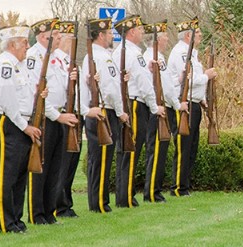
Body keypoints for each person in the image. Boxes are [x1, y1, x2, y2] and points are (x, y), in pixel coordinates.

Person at [0, 17, 50, 231]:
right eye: (24, 43)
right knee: (8, 174)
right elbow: (8, 102)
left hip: (24, 123)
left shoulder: (20, 66)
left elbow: (24, 95)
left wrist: (39, 95)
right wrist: (24, 126)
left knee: (20, 174)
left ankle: (17, 219)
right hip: (12, 125)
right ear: (13, 44)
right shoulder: (5, 66)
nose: (27, 46)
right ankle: (5, 222)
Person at [113, 15, 164, 208]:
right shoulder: (133, 54)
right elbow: (143, 85)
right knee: (131, 150)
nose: (143, 33)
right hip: (135, 104)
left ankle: (124, 195)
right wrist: (154, 107)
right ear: (132, 32)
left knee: (127, 150)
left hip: (130, 102)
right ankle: (125, 197)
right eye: (140, 30)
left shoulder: (125, 52)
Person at [80, 18, 128, 213]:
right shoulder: (100, 57)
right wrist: (120, 112)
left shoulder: (100, 55)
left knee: (100, 159)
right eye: (109, 33)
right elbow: (110, 89)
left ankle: (99, 201)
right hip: (103, 111)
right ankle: (99, 202)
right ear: (100, 35)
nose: (111, 36)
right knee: (100, 159)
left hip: (102, 110)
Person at [26, 18, 71, 225]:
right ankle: (37, 214)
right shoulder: (33, 57)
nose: (61, 38)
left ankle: (50, 211)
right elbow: (37, 95)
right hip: (45, 117)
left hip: (59, 115)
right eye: (57, 35)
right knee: (41, 167)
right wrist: (57, 115)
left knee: (55, 167)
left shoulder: (58, 57)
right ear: (44, 37)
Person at [167, 17, 218, 196]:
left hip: (194, 103)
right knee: (184, 147)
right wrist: (207, 76)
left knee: (192, 146)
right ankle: (178, 187)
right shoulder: (182, 53)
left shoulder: (191, 53)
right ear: (188, 36)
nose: (200, 35)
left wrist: (202, 98)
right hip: (184, 104)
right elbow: (189, 79)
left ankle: (185, 184)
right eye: (197, 33)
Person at [143, 21, 178, 203]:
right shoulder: (154, 58)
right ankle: (152, 192)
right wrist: (177, 105)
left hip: (158, 106)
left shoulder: (156, 57)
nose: (167, 39)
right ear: (156, 40)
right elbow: (166, 85)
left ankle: (154, 190)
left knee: (159, 149)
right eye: (164, 36)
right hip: (157, 108)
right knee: (156, 149)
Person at [54, 20, 83, 218]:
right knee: (62, 163)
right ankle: (59, 204)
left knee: (71, 161)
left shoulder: (69, 61)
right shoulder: (57, 60)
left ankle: (66, 202)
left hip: (75, 113)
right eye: (70, 37)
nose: (73, 41)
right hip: (63, 113)